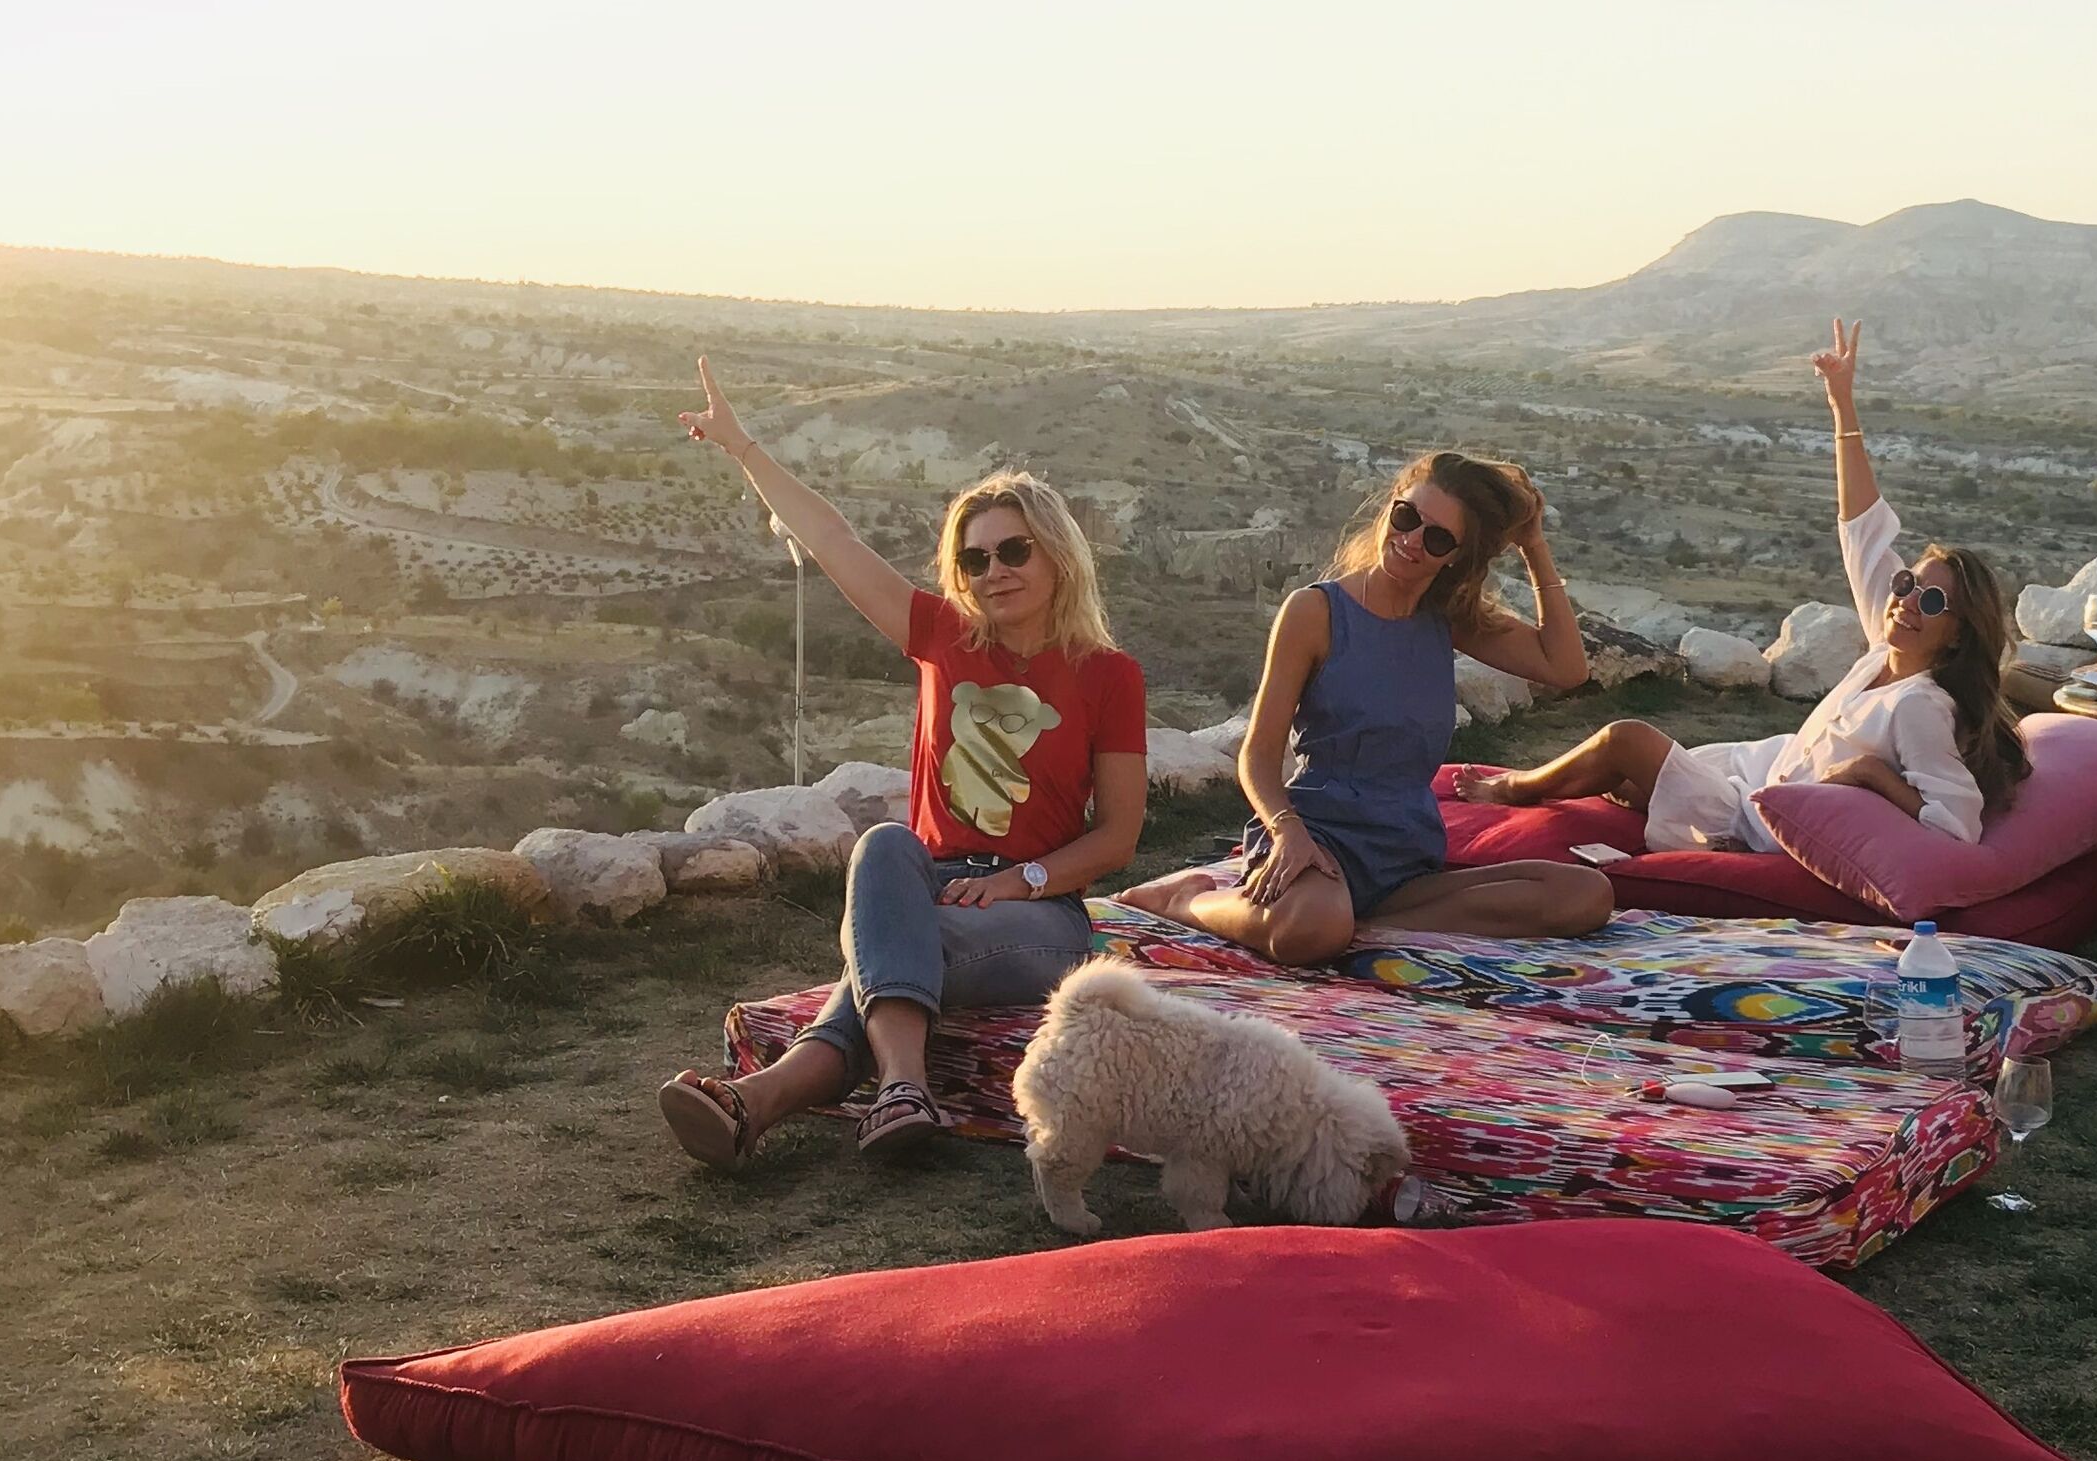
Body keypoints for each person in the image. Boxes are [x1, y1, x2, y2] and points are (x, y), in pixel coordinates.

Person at [655, 360, 1146, 1165]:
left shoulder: (1108, 674)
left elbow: (1118, 837)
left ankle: (767, 1098)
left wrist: (1018, 881)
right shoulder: (941, 636)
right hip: (931, 880)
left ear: (1057, 553)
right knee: (885, 846)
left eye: (1014, 550)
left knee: (891, 948)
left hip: (1042, 916)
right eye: (976, 559)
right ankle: (897, 1092)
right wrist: (743, 448)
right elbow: (832, 539)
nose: (995, 571)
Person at [1461, 319, 2025, 853]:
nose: (1906, 602)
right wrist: (1842, 406)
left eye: (1932, 600)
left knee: (1624, 740)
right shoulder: (1890, 647)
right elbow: (1861, 531)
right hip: (1757, 769)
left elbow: (1956, 826)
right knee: (1623, 780)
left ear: (1957, 633)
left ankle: (1512, 788)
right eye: (1907, 584)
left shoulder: (1920, 705)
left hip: (1754, 819)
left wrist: (1872, 774)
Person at [1125, 449, 1612, 966]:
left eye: (1437, 538)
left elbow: (1566, 668)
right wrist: (1287, 830)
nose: (1411, 540)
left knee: (1584, 893)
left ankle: (1356, 923)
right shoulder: (1316, 612)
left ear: (1455, 557)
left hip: (1405, 860)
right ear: (1390, 506)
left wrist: (1533, 545)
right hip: (1319, 839)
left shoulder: (1447, 618)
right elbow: (1258, 754)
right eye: (1406, 516)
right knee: (1312, 926)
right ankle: (1186, 900)